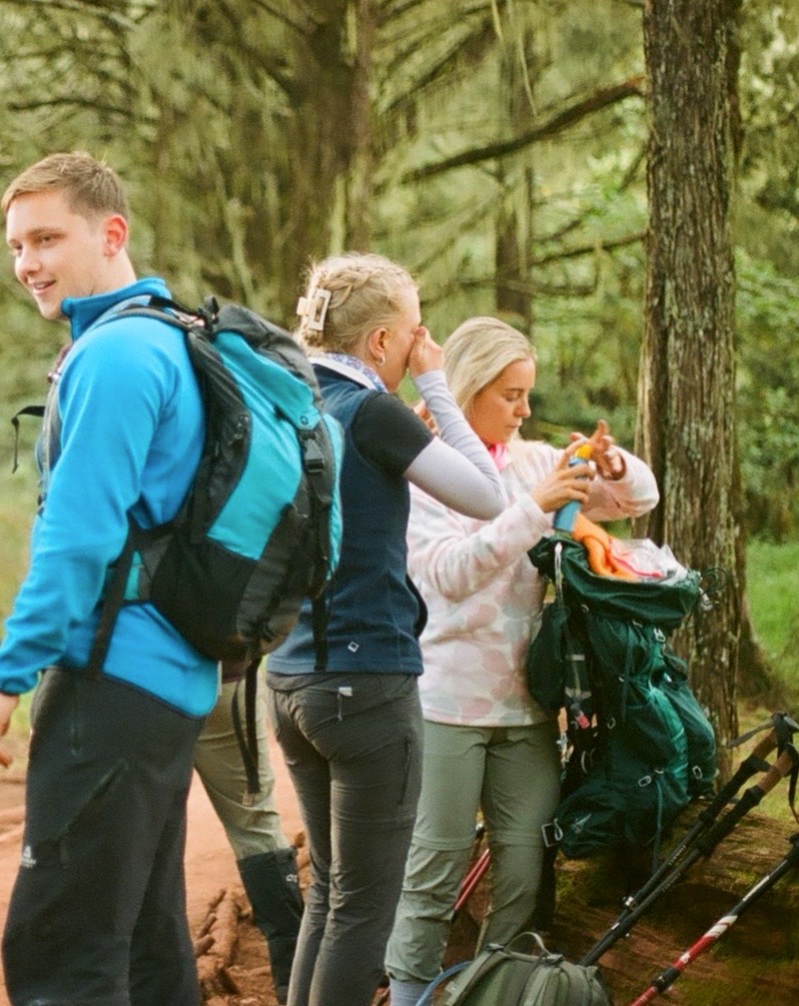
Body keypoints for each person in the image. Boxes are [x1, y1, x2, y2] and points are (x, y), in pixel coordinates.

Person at [0, 150, 213, 1006]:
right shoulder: (168, 338)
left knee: (61, 952)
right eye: (14, 246)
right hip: (168, 680)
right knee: (147, 937)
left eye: (45, 238)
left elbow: (75, 538)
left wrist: (5, 673)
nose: (26, 263)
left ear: (111, 234)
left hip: (113, 681)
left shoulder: (115, 357)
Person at [383, 317, 659, 1006]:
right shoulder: (426, 471)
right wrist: (531, 513)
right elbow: (447, 573)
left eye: (527, 395)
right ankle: (413, 997)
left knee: (523, 866)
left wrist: (612, 466)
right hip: (445, 701)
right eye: (511, 395)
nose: (524, 409)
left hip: (528, 704)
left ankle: (491, 991)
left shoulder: (534, 461)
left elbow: (636, 501)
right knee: (434, 870)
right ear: (470, 388)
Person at [263, 252, 506, 1006]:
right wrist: (434, 382)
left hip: (289, 678)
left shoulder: (290, 403)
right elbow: (486, 496)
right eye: (412, 333)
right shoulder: (371, 411)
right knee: (365, 906)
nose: (417, 346)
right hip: (367, 687)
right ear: (377, 342)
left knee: (332, 892)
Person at [194, 666, 304, 1006]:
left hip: (138, 685)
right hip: (226, 679)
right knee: (256, 826)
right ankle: (295, 983)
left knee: (145, 831)